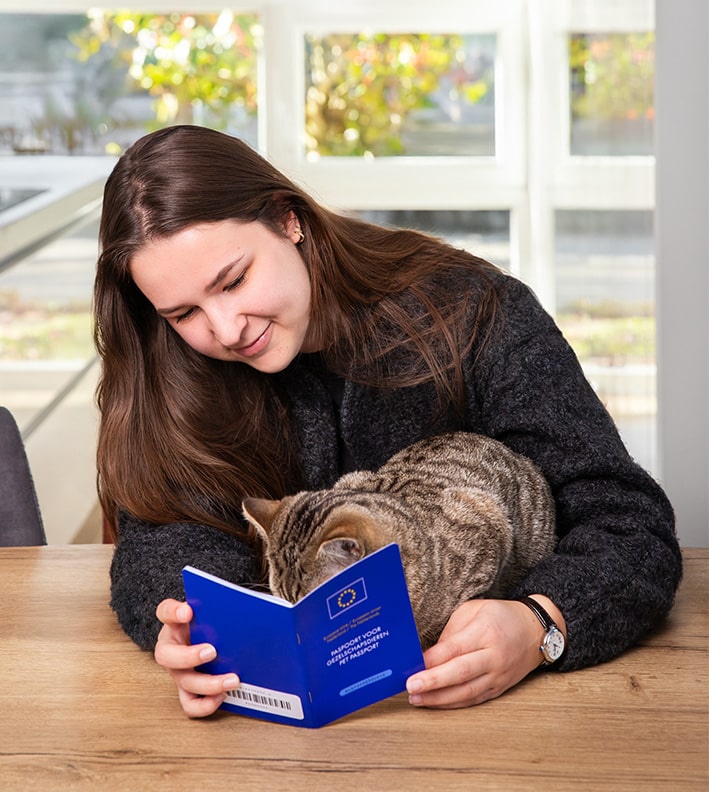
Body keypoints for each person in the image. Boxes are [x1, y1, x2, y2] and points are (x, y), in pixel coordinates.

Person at [94, 124, 681, 718]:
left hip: (493, 720)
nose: (225, 329)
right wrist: (189, 630)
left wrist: (541, 623)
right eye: (184, 313)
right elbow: (161, 541)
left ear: (288, 220)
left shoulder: (476, 312)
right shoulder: (172, 368)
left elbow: (628, 525)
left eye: (234, 280)